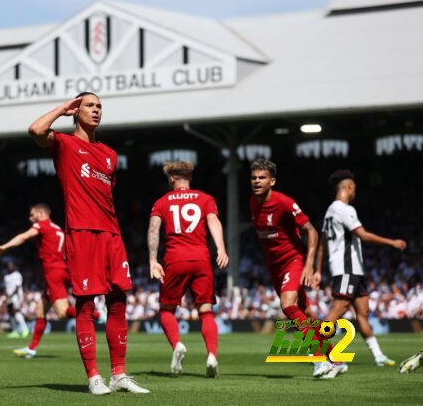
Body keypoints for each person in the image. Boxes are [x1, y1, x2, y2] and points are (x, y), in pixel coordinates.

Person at [28, 92, 149, 394]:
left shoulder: (110, 155)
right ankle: (94, 376)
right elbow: (35, 130)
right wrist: (61, 109)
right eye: (90, 106)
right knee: (86, 304)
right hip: (82, 233)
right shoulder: (65, 144)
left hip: (111, 233)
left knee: (119, 300)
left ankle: (118, 375)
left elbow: (106, 197)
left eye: (99, 107)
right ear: (76, 111)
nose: (96, 111)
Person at [249, 158, 339, 379]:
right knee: (305, 313)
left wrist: (308, 265)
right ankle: (336, 359)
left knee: (288, 306)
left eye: (262, 177)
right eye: (254, 177)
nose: (257, 181)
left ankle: (319, 360)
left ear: (273, 181)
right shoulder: (253, 202)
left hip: (293, 261)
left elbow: (312, 231)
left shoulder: (285, 203)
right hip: (275, 267)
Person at [315, 170, 407, 369]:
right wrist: (391, 242)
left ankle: (378, 355)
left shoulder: (330, 211)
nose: (355, 191)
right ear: (348, 187)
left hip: (354, 269)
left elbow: (322, 244)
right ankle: (314, 347)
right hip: (347, 269)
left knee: (363, 312)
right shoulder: (344, 209)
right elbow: (363, 235)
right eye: (354, 187)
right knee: (339, 308)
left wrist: (318, 270)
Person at [148, 161, 229, 377]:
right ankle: (212, 355)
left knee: (166, 309)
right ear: (189, 178)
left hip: (175, 259)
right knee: (205, 310)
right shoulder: (205, 198)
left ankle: (177, 345)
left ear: (171, 179)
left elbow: (154, 230)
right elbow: (214, 221)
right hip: (201, 258)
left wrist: (152, 260)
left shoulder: (161, 202)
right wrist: (221, 248)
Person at [0, 203, 98, 358]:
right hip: (61, 269)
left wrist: (4, 247)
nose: (30, 218)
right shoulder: (58, 229)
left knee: (62, 313)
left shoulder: (42, 226)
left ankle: (98, 314)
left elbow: (24, 236)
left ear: (41, 213)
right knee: (40, 310)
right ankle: (32, 348)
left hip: (53, 273)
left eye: (32, 214)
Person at [3, 261, 29, 338]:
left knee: (16, 312)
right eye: (8, 266)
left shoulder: (17, 275)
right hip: (9, 297)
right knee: (11, 313)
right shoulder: (6, 276)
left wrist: (10, 296)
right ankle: (15, 331)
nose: (9, 267)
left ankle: (25, 329)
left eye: (11, 265)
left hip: (16, 297)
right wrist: (6, 296)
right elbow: (6, 287)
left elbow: (17, 287)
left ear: (14, 266)